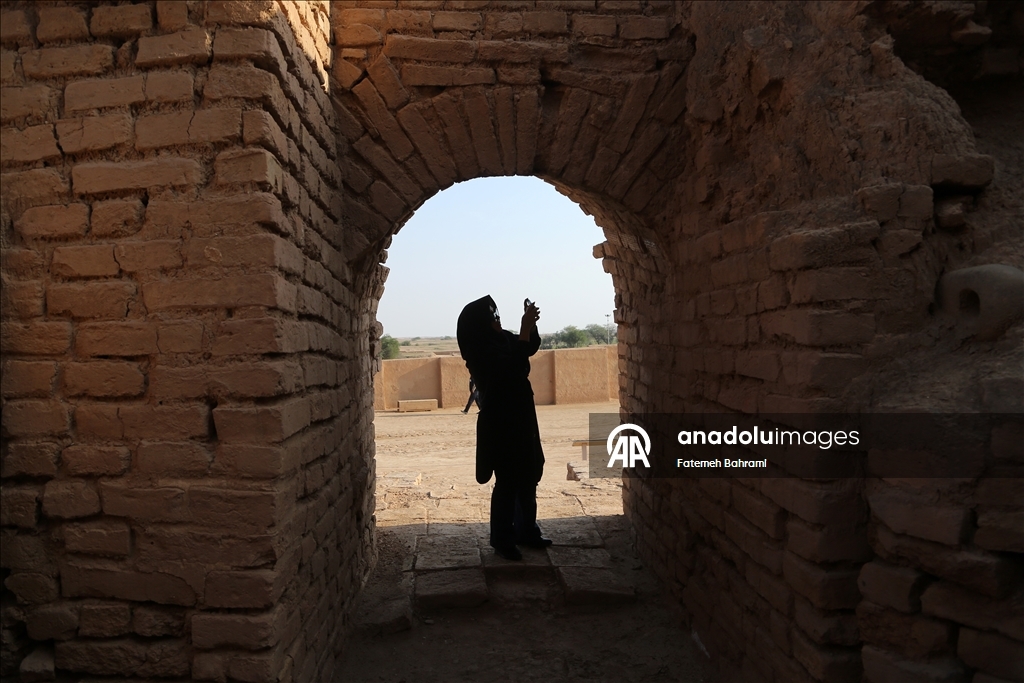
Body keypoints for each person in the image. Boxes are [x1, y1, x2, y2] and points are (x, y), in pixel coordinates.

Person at [457, 295, 551, 561]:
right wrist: (523, 330)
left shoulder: (502, 340)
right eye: (492, 318)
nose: (498, 321)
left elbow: (528, 347)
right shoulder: (481, 353)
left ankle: (527, 531)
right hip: (502, 422)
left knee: (528, 475)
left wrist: (529, 327)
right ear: (481, 325)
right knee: (508, 481)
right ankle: (503, 539)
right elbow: (512, 370)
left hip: (522, 416)